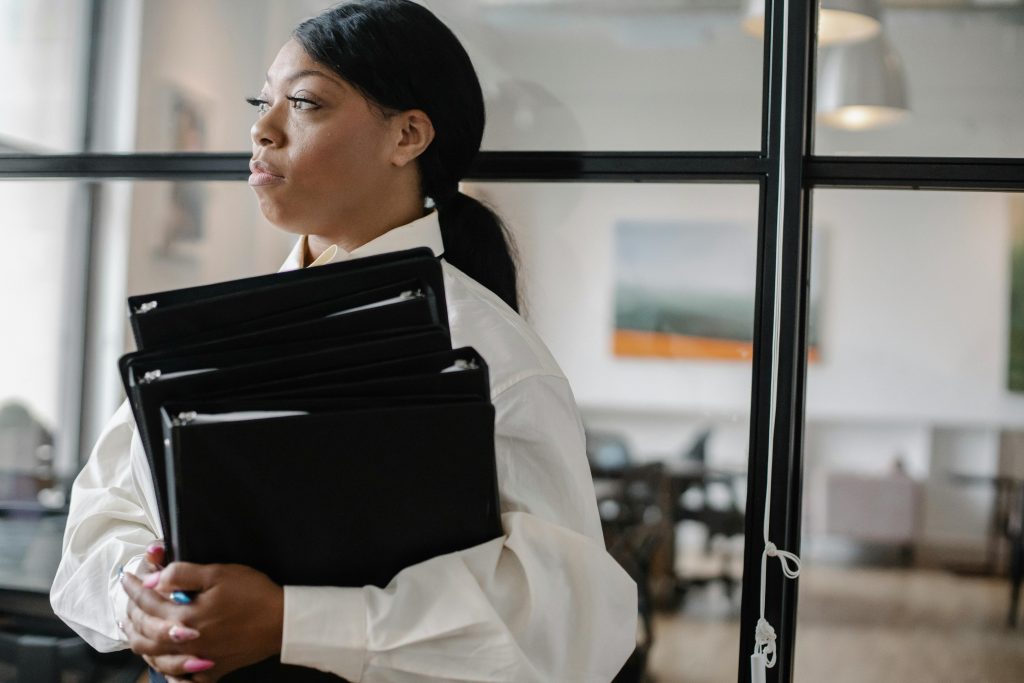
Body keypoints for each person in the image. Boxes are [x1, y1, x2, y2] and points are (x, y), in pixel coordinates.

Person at [50, 1, 638, 681]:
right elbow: (101, 523)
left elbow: (565, 627)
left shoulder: (495, 357)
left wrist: (290, 621)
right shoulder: (214, 330)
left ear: (407, 135)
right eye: (260, 101)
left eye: (303, 103)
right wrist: (144, 601)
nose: (261, 129)